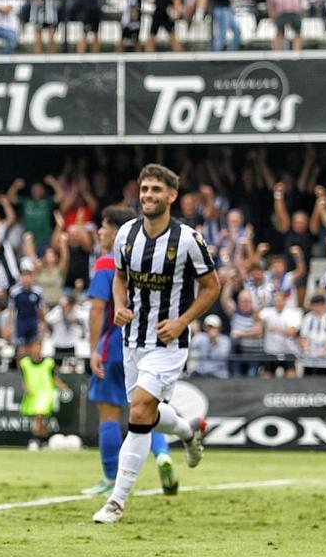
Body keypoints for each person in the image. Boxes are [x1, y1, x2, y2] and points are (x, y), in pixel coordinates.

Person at [93, 164, 221, 524]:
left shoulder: (189, 240)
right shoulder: (126, 235)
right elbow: (119, 277)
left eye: (156, 190)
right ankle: (188, 430)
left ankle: (116, 501)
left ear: (171, 196)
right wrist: (119, 305)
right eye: (144, 189)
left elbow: (213, 287)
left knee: (138, 414)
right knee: (145, 411)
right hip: (132, 339)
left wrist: (182, 320)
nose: (148, 196)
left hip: (169, 342)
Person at [85, 205, 176, 498]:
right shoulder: (146, 261)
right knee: (146, 411)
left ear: (117, 231)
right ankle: (162, 455)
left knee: (109, 414)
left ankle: (111, 477)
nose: (99, 231)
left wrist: (93, 348)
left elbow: (98, 308)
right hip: (147, 347)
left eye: (104, 226)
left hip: (113, 348)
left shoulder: (107, 264)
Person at [19, 339, 69, 449]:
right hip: (33, 393)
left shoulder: (49, 363)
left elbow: (54, 377)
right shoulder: (25, 363)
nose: (37, 349)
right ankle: (44, 441)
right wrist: (26, 388)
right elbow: (23, 379)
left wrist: (62, 387)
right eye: (35, 346)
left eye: (39, 347)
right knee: (39, 419)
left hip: (46, 393)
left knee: (39, 416)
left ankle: (35, 440)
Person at [298, 294, 326, 376]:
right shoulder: (308, 317)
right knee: (307, 377)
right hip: (309, 354)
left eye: (317, 305)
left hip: (325, 354)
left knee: (323, 379)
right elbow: (303, 336)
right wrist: (306, 348)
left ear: (323, 305)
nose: (315, 308)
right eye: (313, 306)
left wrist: (324, 350)